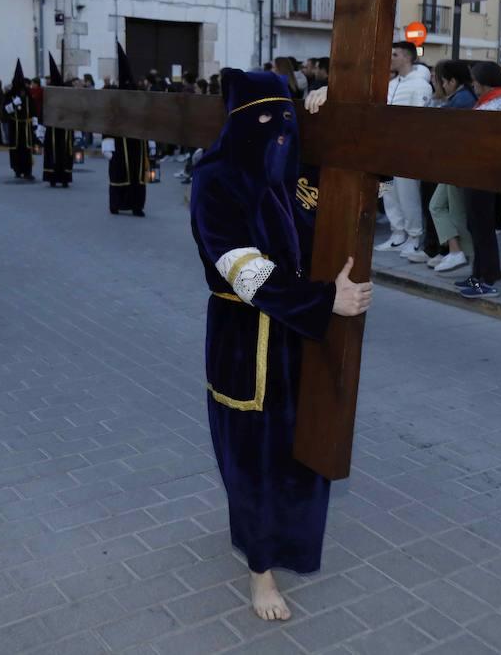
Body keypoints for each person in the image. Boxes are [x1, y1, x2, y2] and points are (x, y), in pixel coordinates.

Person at [191, 68, 372, 622]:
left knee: (302, 453)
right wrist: (322, 303)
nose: (279, 131)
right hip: (245, 346)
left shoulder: (295, 171)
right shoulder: (215, 178)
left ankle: (285, 542)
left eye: (286, 118)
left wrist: (326, 120)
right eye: (266, 119)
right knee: (251, 460)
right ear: (240, 122)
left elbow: (346, 198)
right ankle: (259, 570)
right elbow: (238, 268)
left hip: (302, 343)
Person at [458, 62, 501, 299]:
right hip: (475, 169)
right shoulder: (487, 101)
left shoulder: (500, 103)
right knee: (475, 225)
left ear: (484, 81)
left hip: (486, 171)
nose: (473, 85)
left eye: (475, 80)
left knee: (483, 226)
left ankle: (487, 278)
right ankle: (477, 273)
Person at [376, 41, 433, 255]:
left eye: (395, 54)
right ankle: (397, 233)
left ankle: (414, 236)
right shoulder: (391, 83)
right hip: (386, 148)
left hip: (407, 151)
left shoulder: (421, 85)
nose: (390, 57)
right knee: (388, 192)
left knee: (408, 194)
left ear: (408, 57)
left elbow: (418, 120)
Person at [426, 60, 477, 275]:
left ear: (453, 81)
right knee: (438, 206)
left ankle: (465, 256)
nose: (442, 86)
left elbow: (442, 128)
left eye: (443, 82)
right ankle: (457, 252)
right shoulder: (460, 97)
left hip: (457, 164)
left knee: (452, 211)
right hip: (454, 164)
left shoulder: (462, 100)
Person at [108, 45, 150, 217]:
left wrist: (151, 141)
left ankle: (136, 206)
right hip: (120, 142)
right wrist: (107, 142)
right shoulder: (114, 101)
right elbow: (109, 121)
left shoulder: (139, 100)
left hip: (137, 143)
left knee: (137, 175)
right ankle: (117, 204)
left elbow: (147, 121)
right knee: (120, 172)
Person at [42, 55, 75, 187]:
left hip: (65, 130)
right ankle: (53, 177)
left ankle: (65, 177)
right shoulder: (49, 96)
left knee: (64, 154)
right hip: (52, 130)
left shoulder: (67, 96)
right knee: (53, 154)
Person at [5, 62, 36, 179]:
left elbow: (33, 111)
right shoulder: (10, 95)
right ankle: (17, 170)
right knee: (16, 148)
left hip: (26, 126)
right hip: (15, 125)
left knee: (27, 149)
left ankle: (28, 171)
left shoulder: (28, 96)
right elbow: (5, 110)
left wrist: (35, 125)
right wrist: (13, 104)